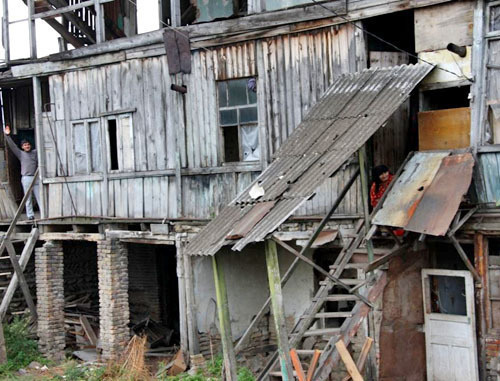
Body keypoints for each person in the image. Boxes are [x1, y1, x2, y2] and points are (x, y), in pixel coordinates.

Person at [4, 125, 40, 220]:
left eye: (28, 144)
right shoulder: (21, 154)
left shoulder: (35, 152)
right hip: (26, 177)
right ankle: (30, 215)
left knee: (40, 196)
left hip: (36, 177)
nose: (27, 146)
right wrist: (7, 135)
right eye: (24, 145)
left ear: (30, 145)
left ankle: (43, 213)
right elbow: (12, 146)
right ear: (22, 147)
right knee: (27, 197)